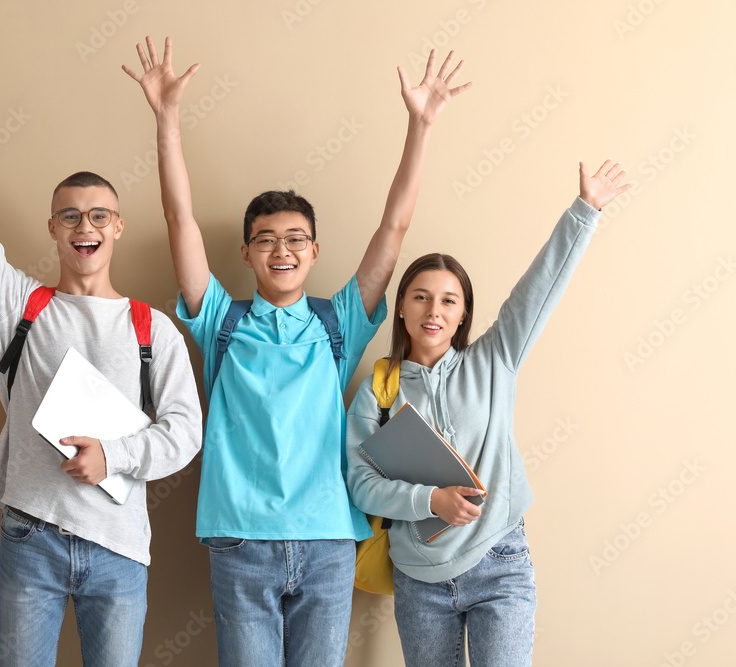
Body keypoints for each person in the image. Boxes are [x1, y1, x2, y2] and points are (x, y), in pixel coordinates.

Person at [124, 37, 470, 666]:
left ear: (313, 251)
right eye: (265, 240)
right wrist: (166, 120)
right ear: (246, 254)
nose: (281, 251)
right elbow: (181, 220)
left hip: (329, 541)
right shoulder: (219, 323)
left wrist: (420, 127)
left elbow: (393, 228)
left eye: (295, 239)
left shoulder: (338, 325)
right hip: (240, 543)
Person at [0, 68, 203, 667]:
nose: (86, 227)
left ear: (119, 227)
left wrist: (115, 455)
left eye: (100, 215)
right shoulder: (21, 308)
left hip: (121, 550)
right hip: (31, 540)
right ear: (53, 228)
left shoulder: (151, 327)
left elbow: (185, 431)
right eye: (71, 216)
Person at [346, 160, 631, 665]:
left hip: (500, 562)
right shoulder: (378, 392)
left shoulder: (494, 360)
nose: (434, 310)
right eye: (421, 297)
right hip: (419, 580)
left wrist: (584, 211)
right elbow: (360, 485)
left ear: (462, 315)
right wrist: (430, 500)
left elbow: (539, 290)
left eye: (449, 300)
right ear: (404, 309)